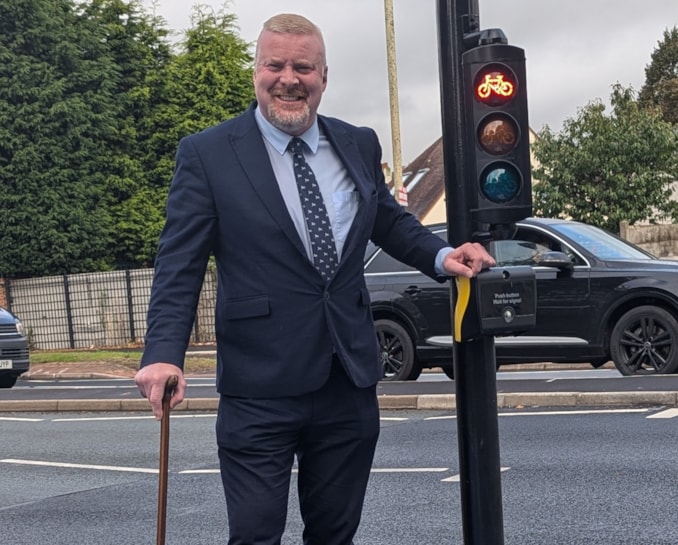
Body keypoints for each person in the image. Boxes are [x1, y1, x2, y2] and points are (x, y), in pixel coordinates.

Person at [134, 12, 495, 545]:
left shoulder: (357, 144)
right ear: (256, 71)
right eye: (275, 65)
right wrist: (163, 353)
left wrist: (443, 257)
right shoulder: (208, 154)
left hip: (345, 380)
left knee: (334, 534)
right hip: (258, 385)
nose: (288, 78)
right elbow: (179, 264)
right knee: (255, 534)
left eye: (303, 67)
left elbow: (387, 221)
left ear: (324, 76)